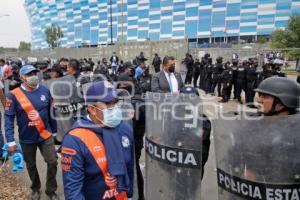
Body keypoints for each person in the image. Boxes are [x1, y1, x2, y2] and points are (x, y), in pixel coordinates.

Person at [61, 81, 134, 200]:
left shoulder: (125, 129)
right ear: (92, 109)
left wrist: (130, 195)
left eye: (116, 102)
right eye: (108, 104)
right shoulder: (75, 139)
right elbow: (73, 190)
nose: (115, 108)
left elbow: (130, 167)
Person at [5, 65, 58, 200]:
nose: (33, 76)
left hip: (45, 134)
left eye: (35, 73)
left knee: (52, 162)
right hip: (26, 137)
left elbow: (52, 112)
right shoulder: (13, 95)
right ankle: (35, 188)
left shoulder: (45, 91)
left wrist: (55, 132)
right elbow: (9, 119)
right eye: (29, 74)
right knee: (31, 165)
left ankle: (51, 190)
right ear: (22, 77)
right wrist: (10, 140)